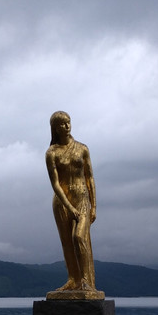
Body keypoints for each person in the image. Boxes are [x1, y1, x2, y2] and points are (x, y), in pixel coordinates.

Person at [46, 111, 99, 293]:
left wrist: (94, 206)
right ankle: (73, 280)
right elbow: (55, 184)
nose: (67, 127)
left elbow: (90, 178)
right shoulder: (51, 153)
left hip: (81, 197)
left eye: (68, 122)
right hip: (62, 202)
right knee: (67, 241)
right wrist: (69, 207)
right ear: (55, 128)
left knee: (79, 236)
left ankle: (85, 281)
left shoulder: (82, 149)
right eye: (62, 124)